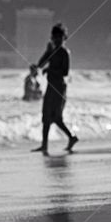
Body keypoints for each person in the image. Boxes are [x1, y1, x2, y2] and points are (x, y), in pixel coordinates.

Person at [32, 23, 78, 155]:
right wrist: (38, 66)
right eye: (55, 37)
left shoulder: (65, 53)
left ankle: (71, 137)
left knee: (57, 118)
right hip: (50, 88)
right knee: (45, 117)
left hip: (60, 89)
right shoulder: (51, 51)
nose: (57, 39)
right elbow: (42, 63)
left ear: (64, 38)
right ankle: (44, 145)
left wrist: (49, 69)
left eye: (60, 37)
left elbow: (65, 72)